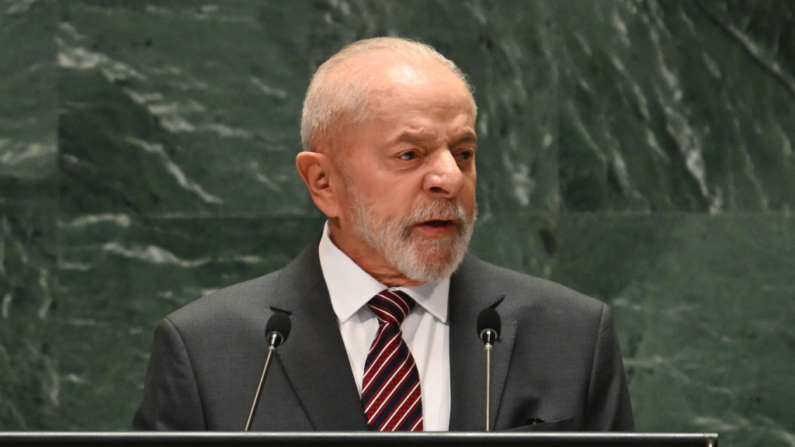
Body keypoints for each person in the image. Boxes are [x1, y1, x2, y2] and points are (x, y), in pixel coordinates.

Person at [132, 37, 634, 432]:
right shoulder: (207, 350)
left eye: (463, 153)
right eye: (410, 155)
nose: (450, 179)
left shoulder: (572, 335)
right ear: (323, 183)